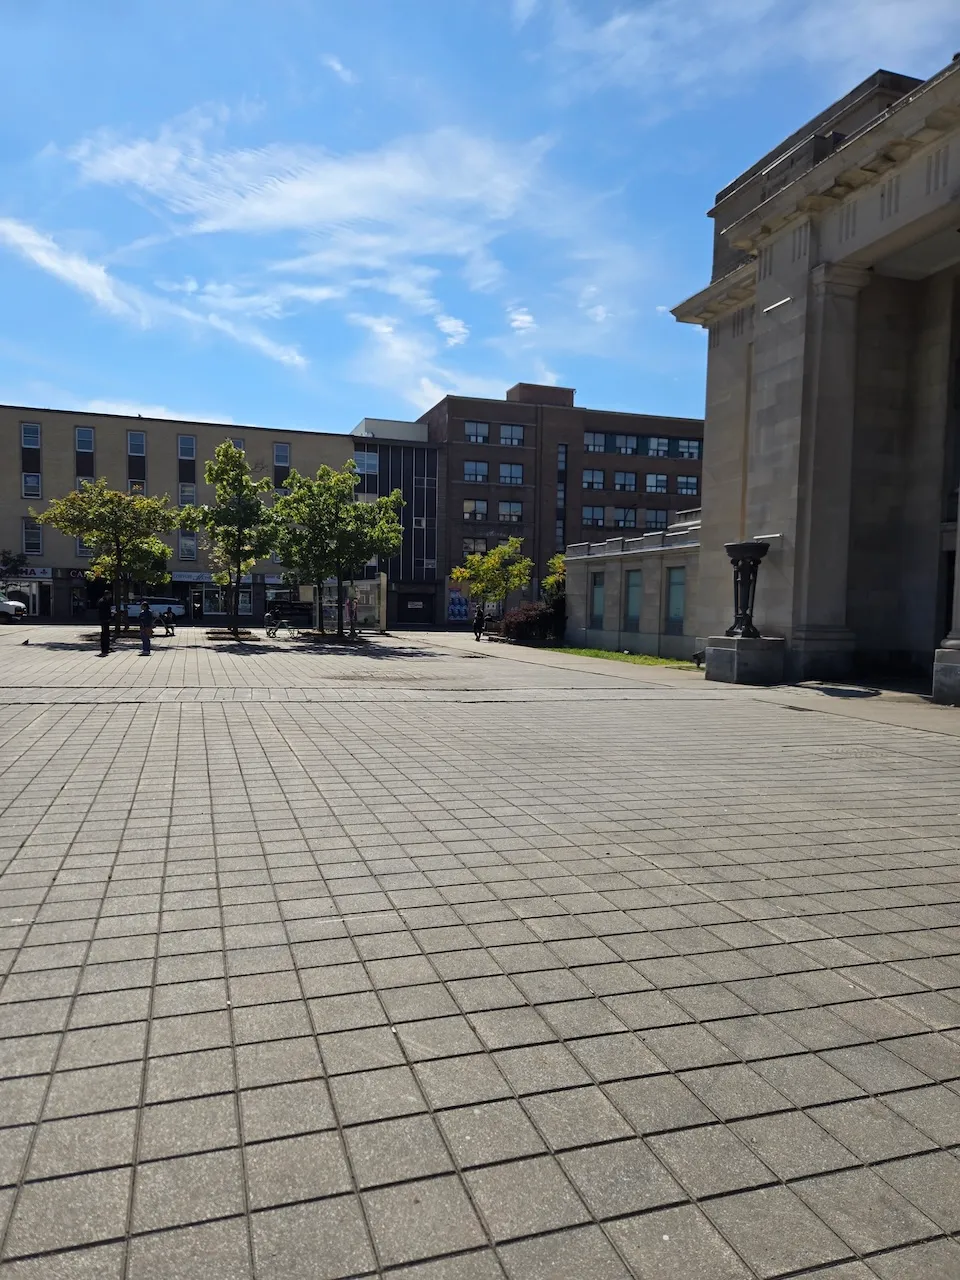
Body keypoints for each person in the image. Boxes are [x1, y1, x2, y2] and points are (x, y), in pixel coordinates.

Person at [97, 589, 113, 656]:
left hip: (104, 619)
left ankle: (106, 648)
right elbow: (104, 611)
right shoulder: (103, 601)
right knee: (105, 634)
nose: (110, 596)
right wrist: (108, 617)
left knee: (106, 634)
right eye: (110, 595)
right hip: (105, 620)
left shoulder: (102, 601)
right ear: (107, 595)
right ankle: (105, 649)